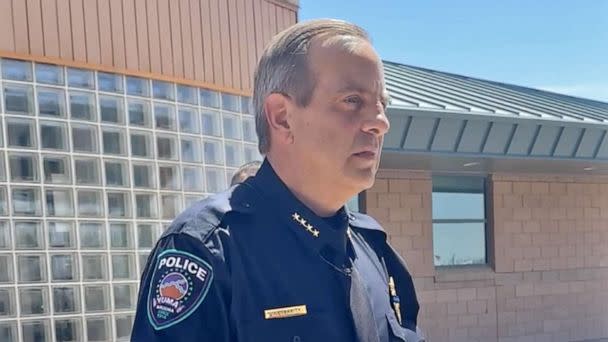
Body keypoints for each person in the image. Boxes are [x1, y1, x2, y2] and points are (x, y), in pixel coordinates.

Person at [131, 19, 424, 342]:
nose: (380, 123)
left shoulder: (374, 249)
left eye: (382, 104)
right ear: (282, 117)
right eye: (352, 100)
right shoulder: (209, 251)